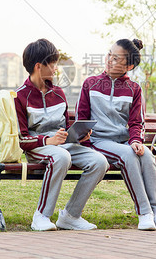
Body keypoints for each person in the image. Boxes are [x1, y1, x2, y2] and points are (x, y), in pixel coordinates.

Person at [76, 38, 156, 230]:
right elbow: (81, 119)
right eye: (109, 54)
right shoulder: (90, 84)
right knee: (129, 154)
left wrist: (136, 140)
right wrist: (85, 143)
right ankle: (144, 212)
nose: (109, 60)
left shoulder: (134, 89)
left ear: (128, 65)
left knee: (145, 154)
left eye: (116, 58)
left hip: (123, 142)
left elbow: (136, 122)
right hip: (98, 141)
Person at [15, 38, 109, 231]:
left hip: (63, 146)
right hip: (38, 147)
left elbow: (65, 127)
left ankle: (70, 216)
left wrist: (78, 135)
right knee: (61, 156)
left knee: (100, 162)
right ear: (39, 66)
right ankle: (41, 216)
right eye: (53, 64)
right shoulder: (20, 96)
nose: (56, 68)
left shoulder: (59, 94)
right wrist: (48, 140)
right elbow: (22, 139)